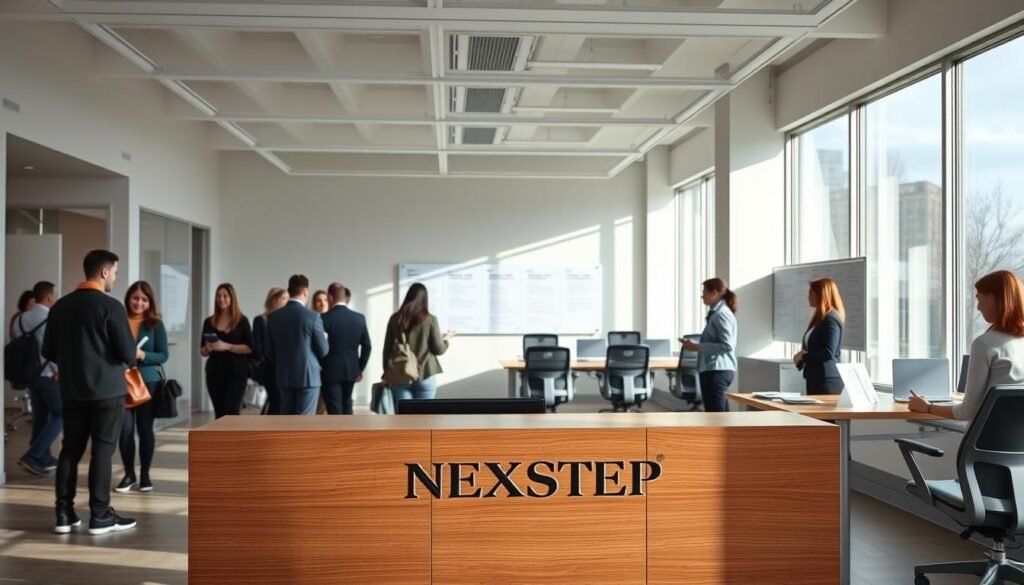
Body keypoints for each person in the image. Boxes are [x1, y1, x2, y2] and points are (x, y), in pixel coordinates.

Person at [42, 249, 137, 535]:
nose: (115, 278)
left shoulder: (60, 306)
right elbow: (127, 354)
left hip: (71, 391)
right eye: (115, 272)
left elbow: (48, 350)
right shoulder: (111, 307)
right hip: (107, 391)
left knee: (70, 450)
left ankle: (64, 513)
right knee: (103, 453)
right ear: (105, 272)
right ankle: (100, 515)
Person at [910, 270, 1024, 421]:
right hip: (1015, 443)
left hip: (982, 441)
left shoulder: (984, 344)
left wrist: (927, 407)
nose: (978, 307)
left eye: (979, 299)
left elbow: (967, 412)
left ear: (991, 298)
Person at [115, 281, 168, 494]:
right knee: (125, 431)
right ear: (128, 298)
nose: (139, 303)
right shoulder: (118, 320)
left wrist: (143, 355)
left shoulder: (155, 324)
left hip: (148, 384)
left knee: (145, 430)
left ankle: (145, 474)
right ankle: (129, 474)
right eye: (135, 298)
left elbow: (164, 354)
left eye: (144, 300)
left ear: (150, 302)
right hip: (121, 382)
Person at [14, 281, 61, 476]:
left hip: (30, 375)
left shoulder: (20, 319)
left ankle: (43, 458)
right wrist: (59, 370)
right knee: (61, 413)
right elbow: (52, 348)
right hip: (48, 374)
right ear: (49, 297)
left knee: (41, 417)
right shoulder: (50, 317)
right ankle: (34, 454)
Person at [266, 275, 328, 415]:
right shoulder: (313, 316)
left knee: (287, 420)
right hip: (308, 377)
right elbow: (324, 350)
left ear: (289, 291)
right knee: (305, 423)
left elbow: (269, 351)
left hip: (284, 375)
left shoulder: (273, 317)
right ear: (306, 291)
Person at [383, 283, 455, 402]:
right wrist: (446, 340)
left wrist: (386, 372)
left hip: (400, 374)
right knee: (424, 418)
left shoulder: (395, 318)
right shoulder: (430, 319)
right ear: (425, 299)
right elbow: (438, 349)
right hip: (425, 373)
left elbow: (387, 348)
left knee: (404, 417)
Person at [681, 278, 737, 412]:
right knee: (720, 415)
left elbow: (727, 345)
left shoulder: (721, 315)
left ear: (714, 293)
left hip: (716, 371)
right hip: (717, 369)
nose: (702, 296)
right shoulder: (718, 313)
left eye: (704, 292)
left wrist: (696, 347)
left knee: (715, 417)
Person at [200, 284, 253, 418]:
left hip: (237, 372)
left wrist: (227, 346)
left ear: (232, 298)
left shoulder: (242, 321)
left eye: (225, 296)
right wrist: (208, 348)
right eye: (218, 296)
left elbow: (250, 348)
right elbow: (202, 351)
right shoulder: (208, 322)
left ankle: (233, 439)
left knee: (232, 412)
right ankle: (219, 439)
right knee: (219, 412)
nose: (221, 299)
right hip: (214, 372)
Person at [320, 282, 371, 415]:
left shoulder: (323, 319)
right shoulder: (359, 318)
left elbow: (318, 346)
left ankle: (338, 435)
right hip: (351, 370)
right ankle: (350, 434)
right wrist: (360, 368)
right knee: (347, 405)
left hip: (329, 371)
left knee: (334, 409)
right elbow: (367, 346)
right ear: (344, 296)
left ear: (330, 297)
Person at [794, 277, 845, 395]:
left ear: (822, 295)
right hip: (815, 378)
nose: (808, 297)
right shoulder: (819, 318)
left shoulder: (831, 319)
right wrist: (801, 359)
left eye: (811, 293)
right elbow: (814, 348)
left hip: (827, 381)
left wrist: (803, 357)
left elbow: (828, 352)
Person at [252, 287, 288, 415]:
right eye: (284, 298)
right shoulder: (261, 320)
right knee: (276, 400)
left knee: (280, 402)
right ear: (274, 300)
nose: (287, 301)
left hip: (284, 368)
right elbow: (257, 345)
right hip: (269, 369)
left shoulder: (286, 320)